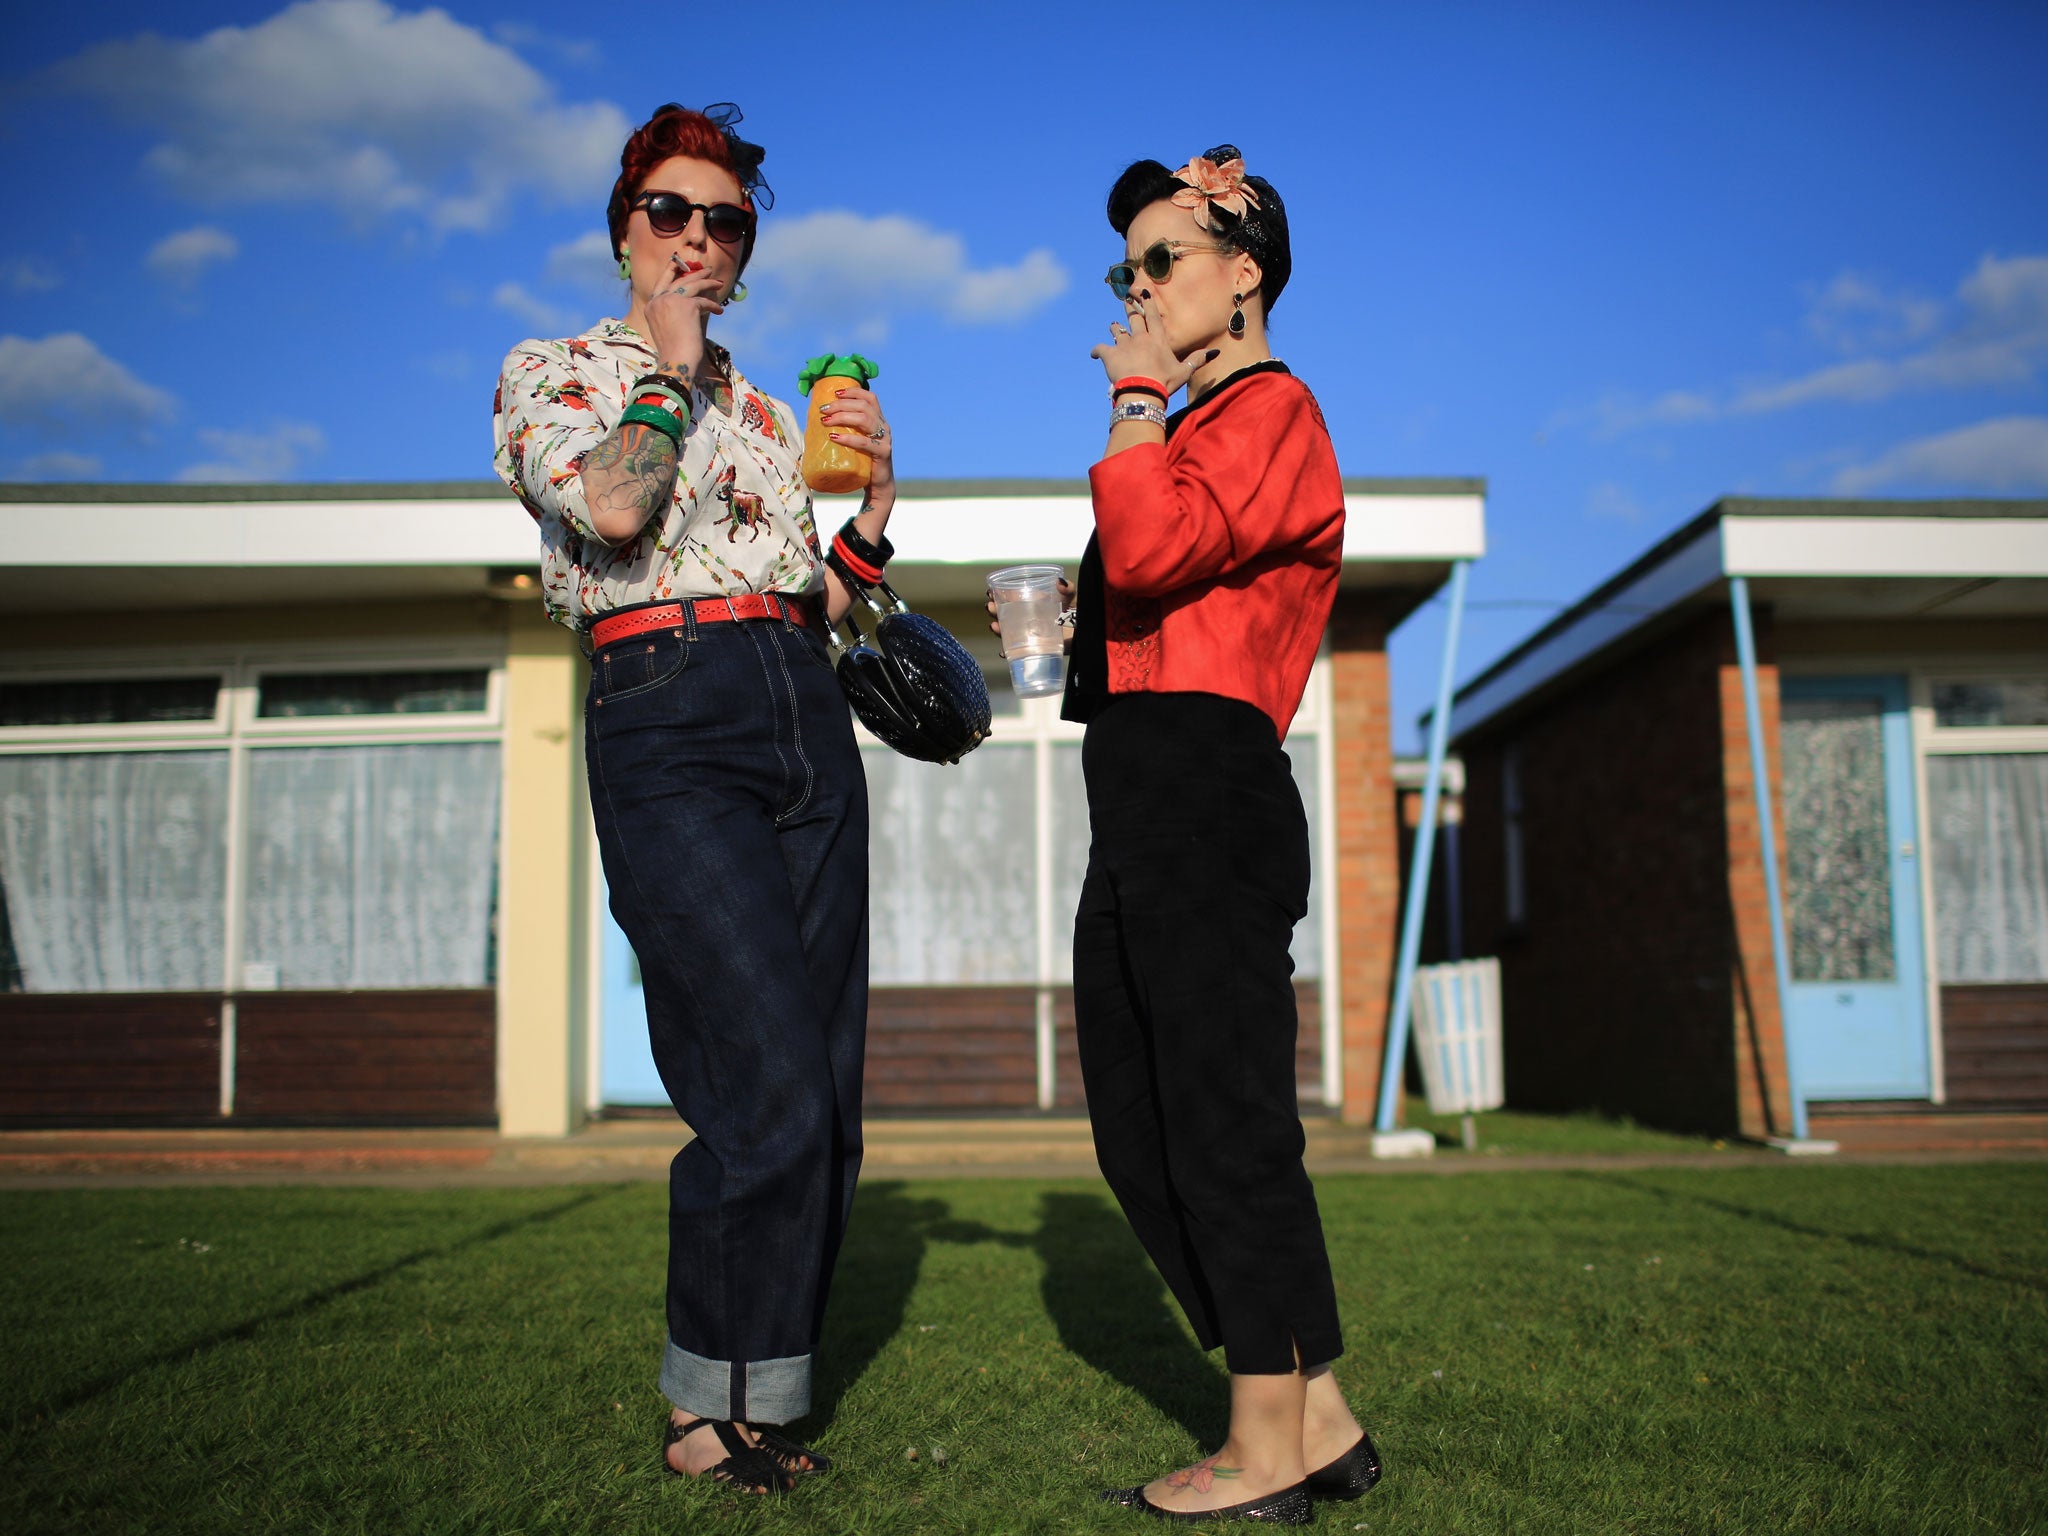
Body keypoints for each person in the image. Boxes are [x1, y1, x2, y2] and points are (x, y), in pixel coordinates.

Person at [492, 102, 897, 1497]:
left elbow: (826, 599)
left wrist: (874, 513)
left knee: (828, 1093)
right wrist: (665, 377)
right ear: (625, 229)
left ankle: (759, 1401)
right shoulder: (555, 372)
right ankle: (698, 1413)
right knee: (760, 1080)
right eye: (672, 212)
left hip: (799, 704)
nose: (698, 240)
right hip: (664, 708)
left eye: (725, 221)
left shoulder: (773, 412)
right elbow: (611, 510)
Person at [1066, 146, 1381, 1524]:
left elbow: (1147, 557)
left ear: (1244, 270)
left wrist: (1137, 400)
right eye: (1127, 266)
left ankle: (1265, 1442)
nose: (1139, 286)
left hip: (1207, 779)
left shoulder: (1270, 409)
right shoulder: (1192, 429)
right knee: (1143, 1126)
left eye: (1164, 258)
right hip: (1142, 780)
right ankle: (1319, 1413)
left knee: (1220, 1120)